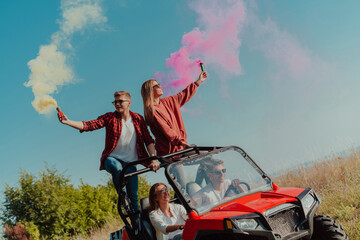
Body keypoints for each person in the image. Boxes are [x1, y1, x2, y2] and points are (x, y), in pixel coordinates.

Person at [58, 90, 160, 224]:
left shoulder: (138, 119)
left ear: (129, 103)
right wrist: (67, 121)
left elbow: (148, 140)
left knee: (134, 198)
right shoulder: (110, 117)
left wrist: (153, 159)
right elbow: (89, 125)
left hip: (130, 163)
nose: (117, 104)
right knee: (117, 169)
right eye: (115, 102)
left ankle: (137, 228)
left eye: (120, 101)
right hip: (111, 159)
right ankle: (122, 197)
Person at [141, 72, 207, 186]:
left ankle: (196, 187)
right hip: (169, 155)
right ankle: (185, 196)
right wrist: (182, 142)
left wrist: (198, 81)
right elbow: (167, 131)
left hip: (180, 148)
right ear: (150, 91)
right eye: (157, 86)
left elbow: (183, 95)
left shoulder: (168, 102)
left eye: (159, 84)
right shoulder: (152, 110)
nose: (160, 86)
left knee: (207, 157)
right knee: (180, 184)